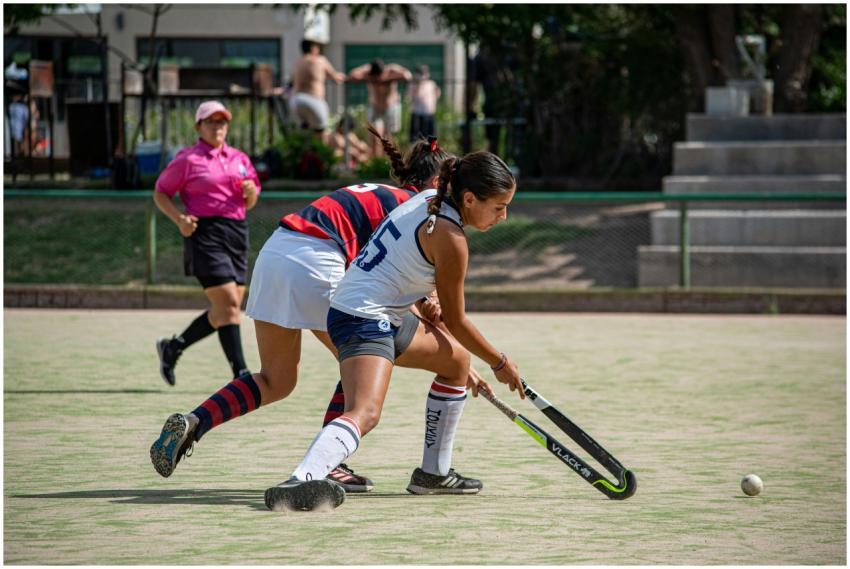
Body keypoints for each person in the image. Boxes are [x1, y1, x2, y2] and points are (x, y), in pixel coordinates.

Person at [150, 126, 493, 495]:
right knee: (361, 357)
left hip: (274, 256)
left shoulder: (381, 194)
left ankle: (195, 421)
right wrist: (456, 355)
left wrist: (447, 342)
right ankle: (328, 466)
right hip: (318, 261)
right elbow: (378, 290)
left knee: (276, 380)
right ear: (440, 182)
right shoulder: (419, 209)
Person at [263, 150, 524, 511]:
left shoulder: (430, 201)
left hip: (376, 313)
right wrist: (499, 362)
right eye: (498, 206)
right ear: (468, 199)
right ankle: (301, 480)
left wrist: (480, 361)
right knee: (365, 411)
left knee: (456, 362)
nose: (503, 215)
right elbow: (457, 320)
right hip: (364, 317)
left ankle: (433, 474)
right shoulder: (451, 238)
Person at [153, 100, 260, 386]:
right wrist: (179, 220)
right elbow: (161, 192)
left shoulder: (239, 158)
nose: (218, 127)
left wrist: (250, 192)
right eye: (211, 122)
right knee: (227, 304)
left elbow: (250, 200)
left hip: (236, 232)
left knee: (229, 308)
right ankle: (241, 374)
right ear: (199, 127)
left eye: (222, 121)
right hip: (205, 233)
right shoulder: (188, 160)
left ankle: (173, 347)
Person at [347, 59, 412, 157]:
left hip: (391, 107)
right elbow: (352, 74)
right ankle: (375, 160)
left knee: (389, 137)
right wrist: (367, 74)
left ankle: (388, 160)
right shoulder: (368, 71)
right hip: (375, 107)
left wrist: (389, 78)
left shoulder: (391, 69)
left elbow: (408, 75)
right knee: (374, 135)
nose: (378, 79)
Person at [290, 39, 345, 141]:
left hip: (296, 101)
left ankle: (305, 155)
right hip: (314, 100)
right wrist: (344, 77)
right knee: (321, 134)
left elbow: (292, 82)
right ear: (313, 48)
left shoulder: (297, 62)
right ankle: (321, 156)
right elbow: (336, 77)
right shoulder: (320, 60)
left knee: (304, 134)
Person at [408, 64, 441, 142]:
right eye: (420, 73)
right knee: (417, 138)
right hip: (417, 115)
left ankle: (432, 153)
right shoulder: (413, 85)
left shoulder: (431, 84)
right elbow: (410, 96)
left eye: (424, 73)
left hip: (429, 115)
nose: (422, 76)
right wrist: (418, 84)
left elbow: (437, 94)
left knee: (432, 137)